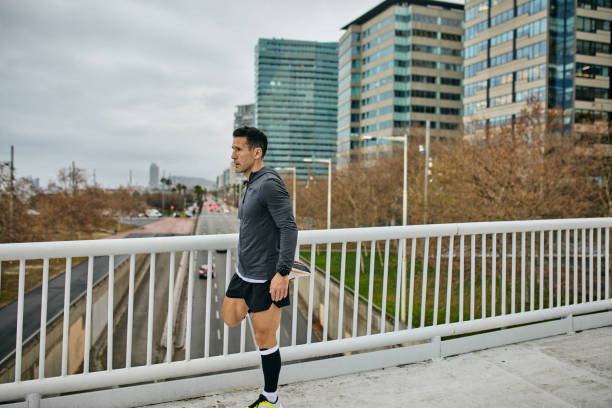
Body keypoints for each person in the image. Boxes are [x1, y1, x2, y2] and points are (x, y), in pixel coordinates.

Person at [222, 126, 297, 408]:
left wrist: (282, 272)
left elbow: (289, 227)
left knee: (264, 338)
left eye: (238, 149)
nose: (233, 155)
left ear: (257, 152)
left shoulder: (269, 183)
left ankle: (271, 398)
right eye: (232, 149)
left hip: (267, 277)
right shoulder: (250, 183)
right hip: (244, 273)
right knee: (229, 317)